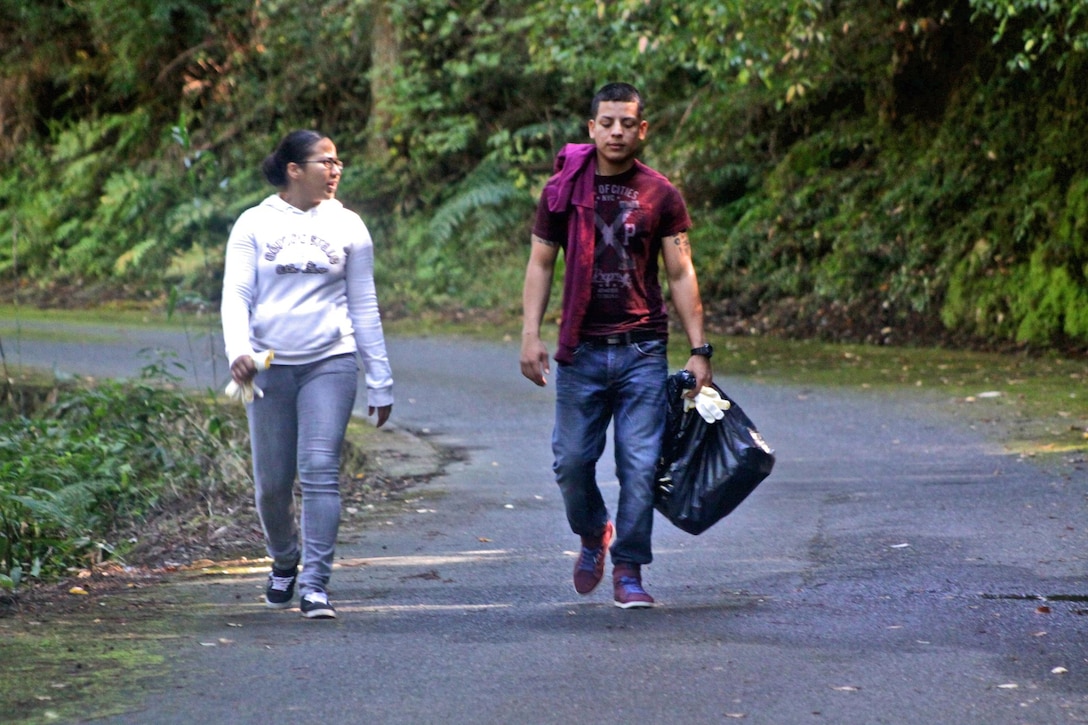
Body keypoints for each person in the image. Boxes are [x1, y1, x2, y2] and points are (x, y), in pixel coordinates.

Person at [520, 82, 713, 609]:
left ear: (642, 129)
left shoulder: (660, 194)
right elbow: (540, 264)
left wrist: (701, 349)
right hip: (581, 350)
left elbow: (680, 271)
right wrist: (530, 335)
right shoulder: (562, 190)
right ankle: (593, 531)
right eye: (607, 123)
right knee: (571, 462)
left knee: (640, 465)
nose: (617, 132)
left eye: (627, 123)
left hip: (642, 349)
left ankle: (629, 568)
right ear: (591, 128)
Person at [221, 130, 393, 619]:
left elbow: (365, 306)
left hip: (330, 362)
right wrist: (239, 350)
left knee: (320, 472)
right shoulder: (253, 224)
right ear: (294, 169)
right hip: (269, 367)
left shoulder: (350, 226)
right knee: (272, 484)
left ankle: (316, 583)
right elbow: (236, 295)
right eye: (325, 162)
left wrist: (380, 379)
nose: (336, 170)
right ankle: (285, 558)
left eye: (339, 162)